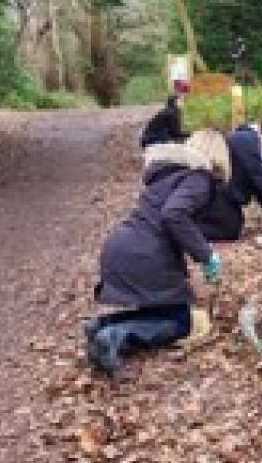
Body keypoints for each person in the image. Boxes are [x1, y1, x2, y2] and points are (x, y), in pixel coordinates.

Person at [84, 130, 229, 375]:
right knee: (181, 322)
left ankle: (100, 327)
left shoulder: (170, 175)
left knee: (161, 310)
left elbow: (169, 222)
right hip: (144, 255)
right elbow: (174, 215)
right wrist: (206, 256)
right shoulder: (199, 178)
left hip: (121, 246)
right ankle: (115, 335)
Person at [194, 110, 262, 241]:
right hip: (213, 191)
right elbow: (258, 175)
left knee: (233, 226)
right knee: (228, 229)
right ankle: (183, 230)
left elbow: (255, 185)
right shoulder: (246, 140)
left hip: (222, 193)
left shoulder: (254, 145)